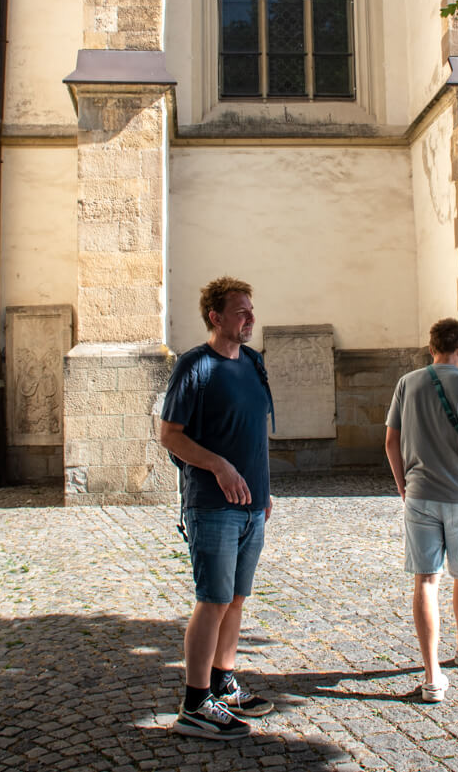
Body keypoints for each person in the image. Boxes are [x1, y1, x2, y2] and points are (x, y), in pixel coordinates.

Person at [160, 277, 274, 739]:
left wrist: (263, 490)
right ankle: (194, 702)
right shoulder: (195, 366)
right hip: (211, 505)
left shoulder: (253, 362)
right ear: (216, 317)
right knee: (212, 600)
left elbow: (252, 431)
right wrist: (220, 468)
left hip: (252, 507)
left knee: (237, 598)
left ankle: (224, 682)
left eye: (251, 309)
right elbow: (170, 434)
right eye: (241, 311)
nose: (250, 318)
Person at [385, 317, 458, 702]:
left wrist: (403, 486)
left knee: (425, 580)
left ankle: (432, 675)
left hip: (419, 494)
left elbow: (391, 441)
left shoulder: (408, 383)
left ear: (431, 347)